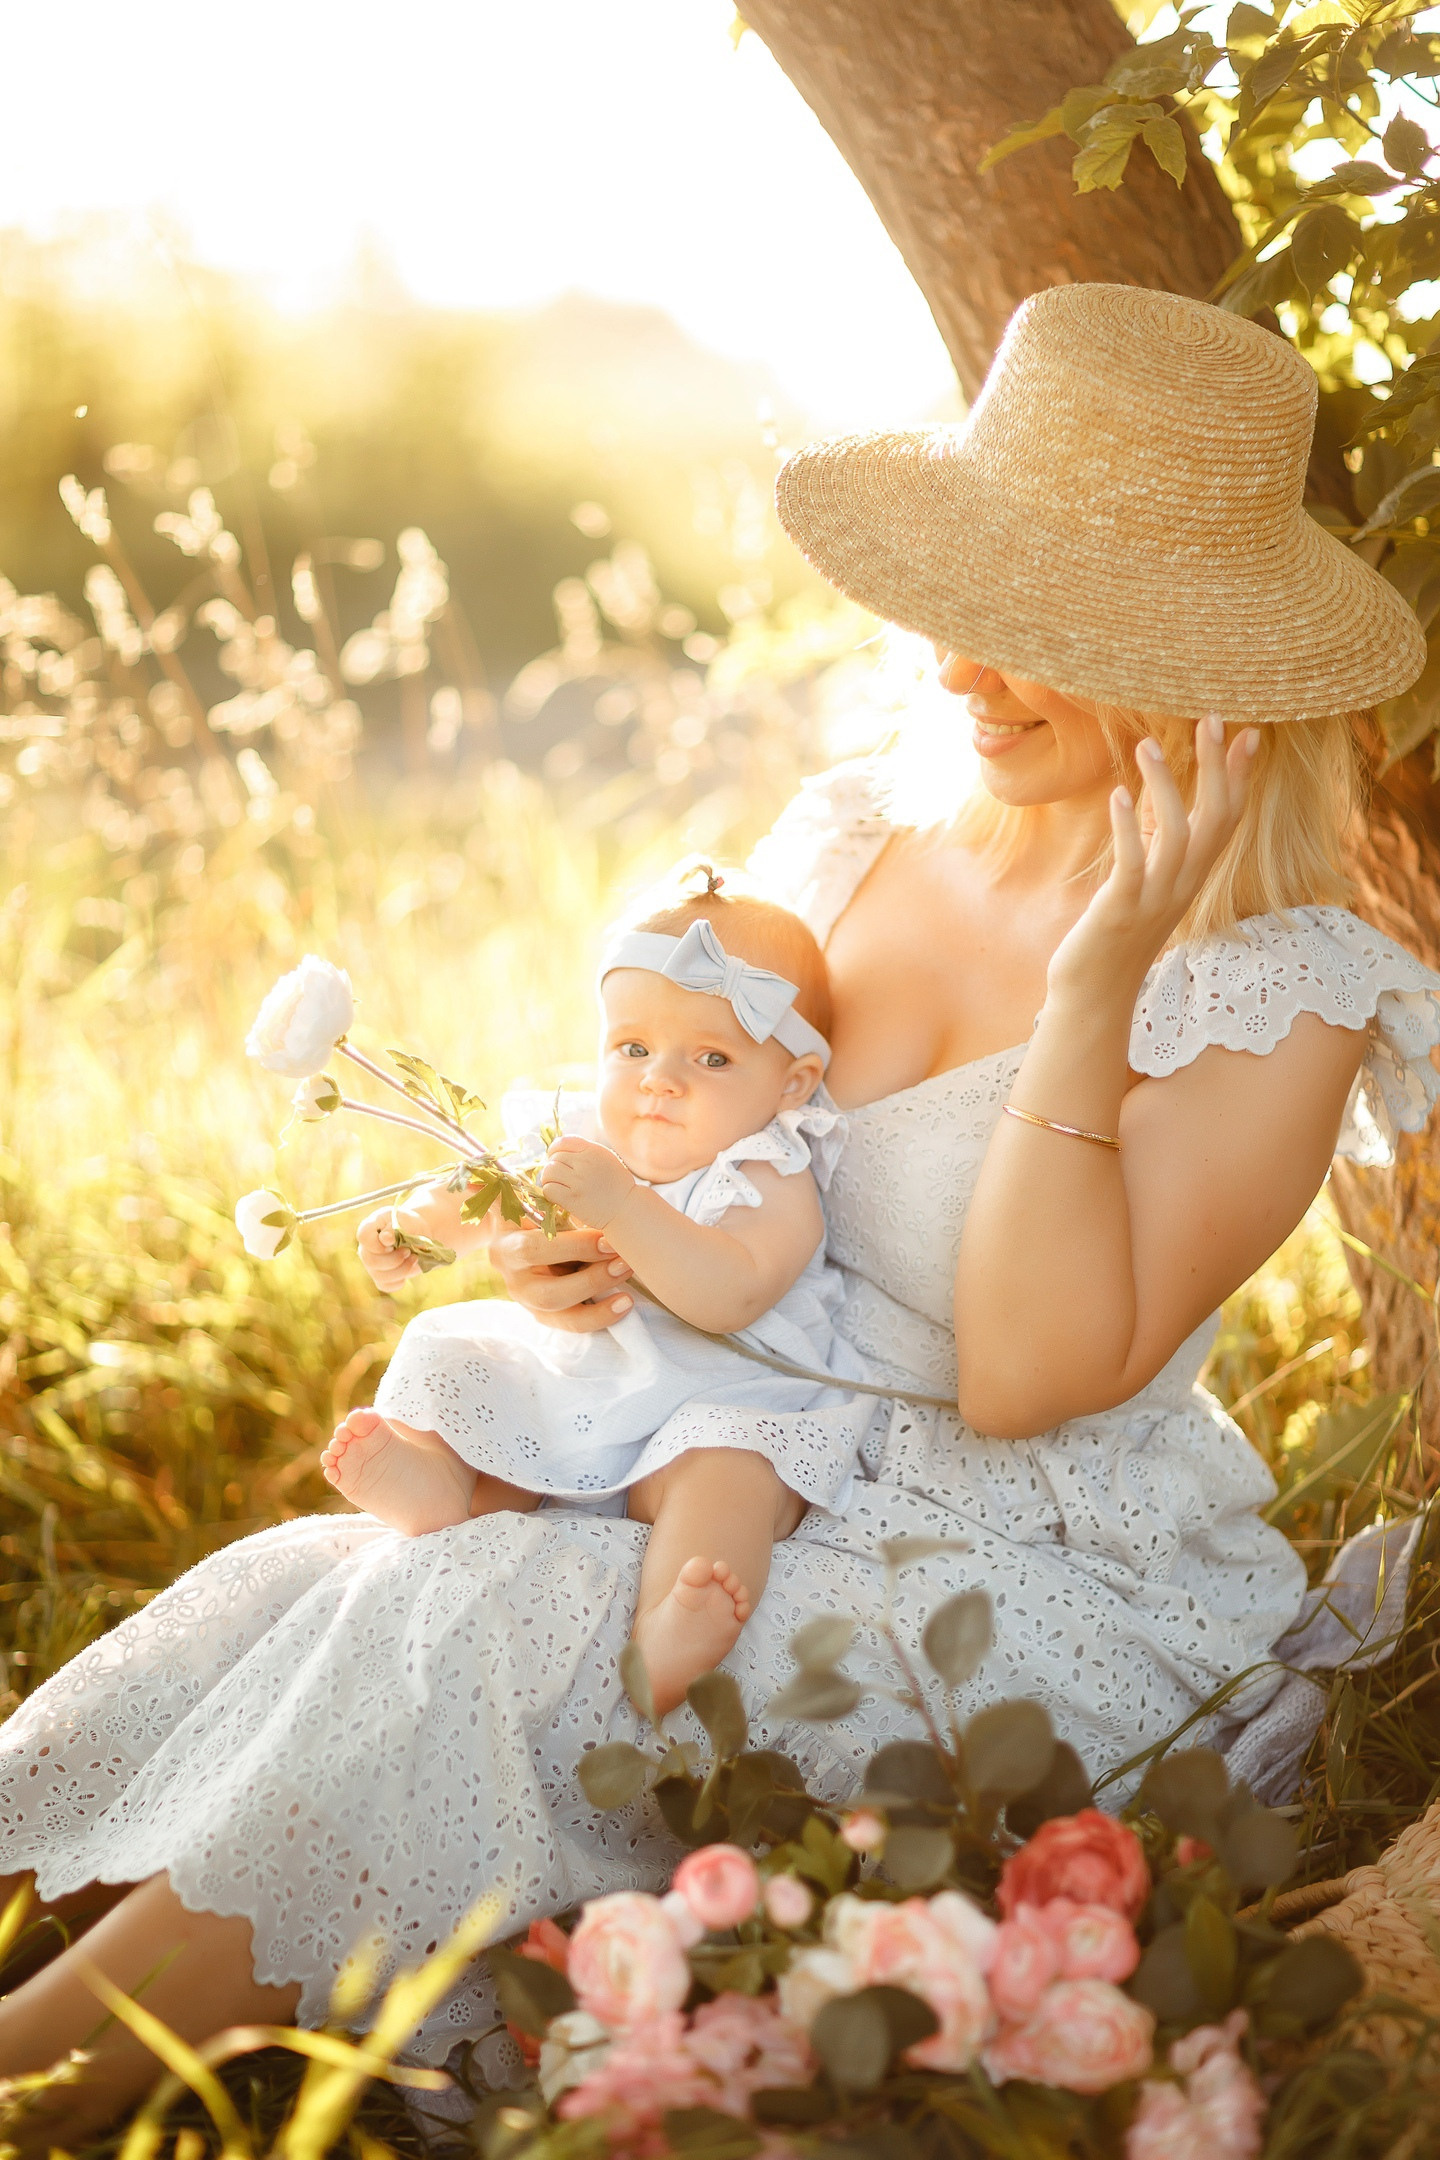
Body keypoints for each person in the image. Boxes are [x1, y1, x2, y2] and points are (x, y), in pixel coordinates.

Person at [3, 284, 1439, 2145]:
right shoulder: (852, 839)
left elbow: (1020, 1378)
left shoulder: (1276, 992)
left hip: (1026, 1566)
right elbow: (687, 1115)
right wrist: (588, 1247)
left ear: (1204, 667)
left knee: (491, 1620)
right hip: (727, 1441)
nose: (963, 671)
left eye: (1039, 633)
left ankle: (31, 2093)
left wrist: (1095, 985)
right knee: (320, 1593)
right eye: (964, 606)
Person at [320, 867, 873, 1714]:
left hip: (719, 1402)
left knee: (730, 1479)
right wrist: (417, 1229)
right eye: (634, 1049)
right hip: (581, 1390)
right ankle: (443, 1482)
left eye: (712, 1057)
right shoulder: (581, 1132)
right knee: (463, 1352)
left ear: (791, 1083)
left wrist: (626, 1207)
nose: (659, 1080)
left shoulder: (771, 1167)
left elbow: (732, 1293)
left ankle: (671, 1629)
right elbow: (488, 1193)